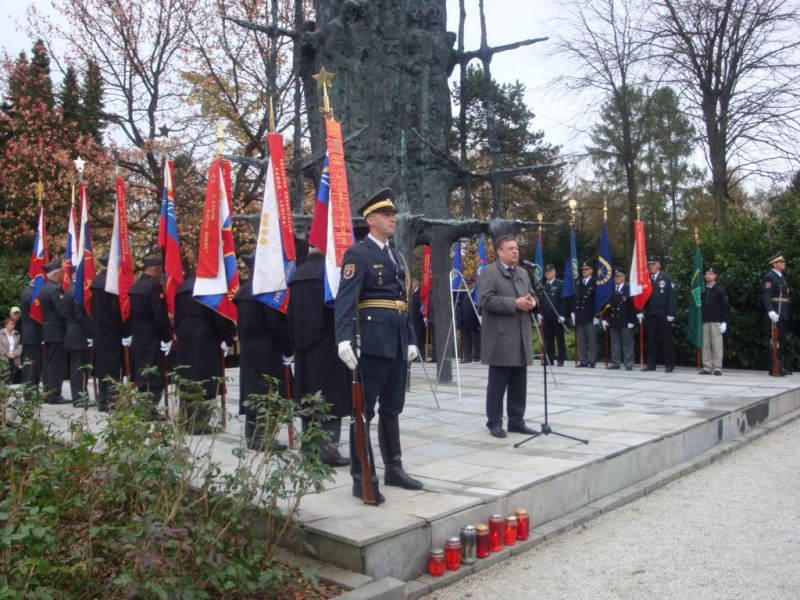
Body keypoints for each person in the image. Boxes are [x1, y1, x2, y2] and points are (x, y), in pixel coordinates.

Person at [335, 188, 423, 500]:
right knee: (363, 411)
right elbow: (345, 300)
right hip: (372, 342)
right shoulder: (358, 254)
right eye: (386, 215)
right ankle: (362, 476)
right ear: (370, 220)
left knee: (392, 407)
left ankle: (394, 469)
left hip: (397, 341)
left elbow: (403, 301)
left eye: (393, 214)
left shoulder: (397, 256)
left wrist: (411, 339)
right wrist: (343, 338)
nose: (392, 219)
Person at [288, 244, 350, 466]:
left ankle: (308, 449)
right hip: (329, 347)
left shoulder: (297, 275)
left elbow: (290, 314)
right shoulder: (330, 274)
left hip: (304, 349)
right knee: (332, 400)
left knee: (308, 401)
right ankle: (328, 452)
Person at [479, 234, 537, 438]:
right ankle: (494, 422)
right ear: (499, 252)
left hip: (521, 336)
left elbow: (530, 294)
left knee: (519, 383)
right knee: (498, 384)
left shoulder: (522, 272)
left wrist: (533, 302)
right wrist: (514, 303)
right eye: (510, 248)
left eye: (516, 248)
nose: (515, 251)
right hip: (501, 338)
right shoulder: (489, 272)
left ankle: (516, 421)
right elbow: (486, 300)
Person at [234, 254, 292, 451]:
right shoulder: (266, 291)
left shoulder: (244, 290)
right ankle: (264, 437)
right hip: (268, 347)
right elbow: (276, 323)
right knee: (268, 391)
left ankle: (252, 436)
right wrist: (288, 347)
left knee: (252, 391)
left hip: (249, 347)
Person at [174, 275, 236, 434]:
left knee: (187, 376)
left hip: (185, 335)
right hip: (205, 337)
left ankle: (185, 418)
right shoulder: (209, 286)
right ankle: (199, 423)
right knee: (205, 378)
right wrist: (228, 337)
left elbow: (177, 316)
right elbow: (219, 315)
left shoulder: (182, 288)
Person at [128, 255, 172, 412]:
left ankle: (141, 408)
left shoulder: (136, 286)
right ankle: (149, 409)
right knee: (155, 377)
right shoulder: (153, 287)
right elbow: (159, 315)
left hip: (138, 335)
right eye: (160, 270)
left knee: (142, 375)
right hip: (152, 336)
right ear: (155, 269)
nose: (161, 274)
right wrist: (167, 336)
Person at [90, 256, 126, 411]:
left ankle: (102, 399)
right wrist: (123, 328)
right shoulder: (111, 283)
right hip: (111, 331)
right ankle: (112, 400)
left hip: (98, 329)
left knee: (101, 366)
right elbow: (115, 310)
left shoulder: (97, 282)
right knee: (112, 366)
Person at [39, 259, 71, 404]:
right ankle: (54, 394)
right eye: (62, 272)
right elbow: (62, 312)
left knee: (50, 363)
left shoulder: (44, 289)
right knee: (56, 364)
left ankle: (48, 392)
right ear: (56, 274)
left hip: (49, 331)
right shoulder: (55, 290)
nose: (63, 275)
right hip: (57, 332)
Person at [640, 256, 676, 372]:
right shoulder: (646, 279)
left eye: (653, 264)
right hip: (650, 313)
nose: (651, 266)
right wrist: (640, 311)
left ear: (659, 265)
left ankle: (669, 364)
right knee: (651, 340)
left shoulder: (666, 278)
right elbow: (641, 296)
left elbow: (672, 296)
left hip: (663, 314)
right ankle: (651, 364)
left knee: (666, 340)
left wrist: (671, 313)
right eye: (649, 264)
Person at [63, 280, 93, 405]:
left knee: (78, 368)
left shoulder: (70, 289)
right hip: (79, 335)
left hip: (73, 333)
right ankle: (80, 398)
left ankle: (81, 396)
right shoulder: (77, 291)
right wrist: (91, 332)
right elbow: (80, 316)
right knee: (79, 369)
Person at [762, 252, 790, 376]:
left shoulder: (782, 277)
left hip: (783, 311)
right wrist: (770, 310)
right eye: (781, 261)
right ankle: (773, 366)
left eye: (784, 261)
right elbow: (766, 295)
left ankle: (779, 365)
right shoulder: (770, 277)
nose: (784, 263)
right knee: (775, 339)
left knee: (780, 339)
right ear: (774, 264)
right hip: (776, 311)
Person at [603, 268, 635, 371]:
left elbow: (632, 307)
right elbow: (607, 305)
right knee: (615, 344)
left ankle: (628, 364)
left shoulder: (628, 289)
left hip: (625, 321)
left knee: (627, 344)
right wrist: (605, 318)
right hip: (613, 321)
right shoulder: (612, 290)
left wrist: (632, 321)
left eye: (619, 276)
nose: (617, 278)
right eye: (615, 277)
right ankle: (616, 363)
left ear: (624, 277)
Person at [699, 266, 729, 376]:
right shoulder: (702, 290)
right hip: (704, 321)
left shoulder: (720, 290)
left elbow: (724, 306)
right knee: (705, 345)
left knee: (717, 345)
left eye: (711, 274)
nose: (708, 276)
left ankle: (717, 367)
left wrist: (724, 321)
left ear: (715, 276)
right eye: (706, 274)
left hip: (716, 321)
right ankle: (707, 367)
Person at [536, 264, 568, 367]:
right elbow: (539, 300)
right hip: (546, 315)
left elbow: (564, 300)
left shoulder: (559, 284)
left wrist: (562, 314)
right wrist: (538, 312)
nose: (548, 273)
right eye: (546, 272)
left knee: (559, 338)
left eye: (550, 271)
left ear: (554, 272)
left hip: (557, 315)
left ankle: (561, 359)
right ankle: (549, 359)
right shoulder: (543, 285)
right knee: (548, 338)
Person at [19, 279, 43, 397]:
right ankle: (30, 392)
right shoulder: (31, 294)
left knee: (32, 365)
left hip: (30, 334)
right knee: (32, 365)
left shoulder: (27, 292)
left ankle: (31, 391)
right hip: (33, 334)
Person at [573, 261, 598, 368]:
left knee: (591, 340)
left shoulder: (595, 282)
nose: (584, 271)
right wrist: (573, 311)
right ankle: (583, 360)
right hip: (580, 315)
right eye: (583, 269)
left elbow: (598, 300)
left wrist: (597, 315)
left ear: (591, 270)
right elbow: (575, 298)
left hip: (590, 315)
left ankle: (592, 360)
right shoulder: (578, 283)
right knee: (581, 340)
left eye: (586, 269)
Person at [457, 276, 481, 363]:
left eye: (470, 283)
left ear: (474, 284)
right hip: (465, 319)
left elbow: (479, 305)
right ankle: (467, 357)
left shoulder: (477, 293)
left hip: (474, 319)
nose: (468, 285)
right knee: (466, 339)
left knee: (476, 339)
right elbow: (459, 304)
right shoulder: (464, 293)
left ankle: (477, 356)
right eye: (467, 283)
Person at [0, 317, 22, 382]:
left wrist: (15, 354)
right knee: (5, 378)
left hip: (15, 358)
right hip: (4, 357)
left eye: (14, 324)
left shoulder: (17, 333)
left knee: (15, 378)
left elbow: (20, 345)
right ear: (6, 325)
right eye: (11, 324)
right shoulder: (1, 333)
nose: (13, 326)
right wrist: (7, 353)